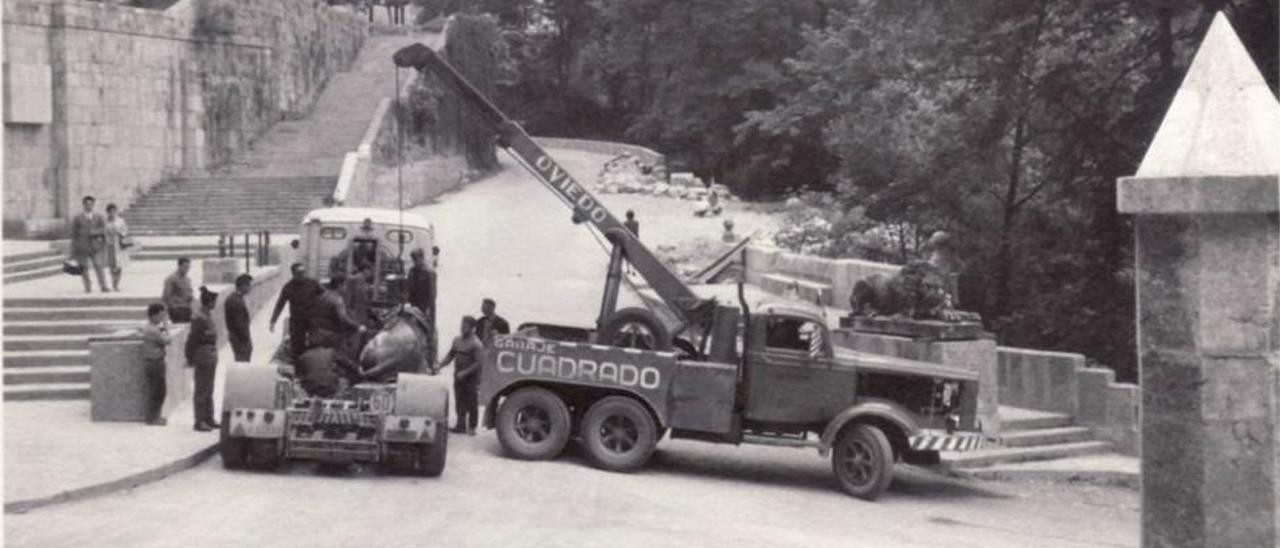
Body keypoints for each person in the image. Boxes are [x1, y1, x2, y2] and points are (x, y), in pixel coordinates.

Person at [438, 316, 484, 435]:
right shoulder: (457, 340)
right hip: (458, 376)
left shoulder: (476, 344)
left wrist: (465, 373)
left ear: (472, 328)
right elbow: (450, 356)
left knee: (472, 402)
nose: (462, 328)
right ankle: (460, 425)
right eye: (461, 325)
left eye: (465, 326)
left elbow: (478, 363)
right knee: (459, 401)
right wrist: (439, 366)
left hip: (471, 378)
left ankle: (472, 427)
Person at [269, 263, 324, 359]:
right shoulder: (288, 287)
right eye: (299, 273)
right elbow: (280, 304)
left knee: (315, 344)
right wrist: (273, 321)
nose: (302, 275)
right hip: (297, 321)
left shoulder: (313, 283)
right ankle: (298, 368)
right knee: (297, 347)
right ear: (294, 274)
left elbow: (325, 296)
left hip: (312, 319)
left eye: (304, 272)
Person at [186, 288, 220, 432]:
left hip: (209, 354)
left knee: (209, 388)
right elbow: (192, 340)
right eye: (214, 302)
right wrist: (189, 357)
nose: (215, 304)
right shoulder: (199, 318)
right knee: (202, 389)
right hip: (203, 354)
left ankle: (208, 417)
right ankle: (199, 421)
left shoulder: (206, 315)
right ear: (210, 302)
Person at [309, 274, 367, 353]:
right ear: (340, 286)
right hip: (330, 337)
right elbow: (343, 318)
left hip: (316, 334)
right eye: (345, 285)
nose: (346, 288)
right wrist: (357, 327)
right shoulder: (337, 299)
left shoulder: (323, 296)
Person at [139, 303, 171, 426]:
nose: (162, 319)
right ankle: (152, 418)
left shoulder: (150, 328)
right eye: (161, 316)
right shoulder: (152, 330)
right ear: (153, 316)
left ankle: (155, 416)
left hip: (154, 363)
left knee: (157, 390)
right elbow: (167, 340)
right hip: (155, 363)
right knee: (158, 391)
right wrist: (167, 327)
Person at [70, 195, 110, 293]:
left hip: (96, 246)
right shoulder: (78, 218)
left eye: (91, 204)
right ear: (83, 205)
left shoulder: (99, 217)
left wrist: (94, 232)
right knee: (84, 268)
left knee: (99, 266)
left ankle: (103, 285)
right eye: (86, 204)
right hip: (82, 246)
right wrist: (73, 248)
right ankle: (87, 286)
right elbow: (74, 233)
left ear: (93, 205)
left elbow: (104, 229)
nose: (89, 206)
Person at [225, 273, 254, 363]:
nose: (250, 288)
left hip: (239, 337)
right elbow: (239, 324)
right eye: (248, 285)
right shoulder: (235, 301)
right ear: (242, 286)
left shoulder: (236, 298)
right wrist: (246, 340)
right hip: (240, 338)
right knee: (242, 363)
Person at [103, 203, 131, 291]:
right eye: (110, 211)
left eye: (114, 211)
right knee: (112, 265)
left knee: (119, 265)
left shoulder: (120, 221)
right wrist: (107, 237)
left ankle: (116, 284)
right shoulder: (105, 221)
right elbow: (103, 233)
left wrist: (119, 231)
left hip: (119, 245)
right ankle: (113, 281)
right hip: (110, 245)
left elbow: (125, 231)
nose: (112, 213)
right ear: (107, 212)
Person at [406, 248, 436, 320]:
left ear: (422, 258)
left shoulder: (430, 273)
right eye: (413, 259)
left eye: (416, 259)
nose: (414, 262)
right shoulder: (412, 270)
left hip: (425, 305)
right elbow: (409, 286)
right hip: (414, 304)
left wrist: (428, 309)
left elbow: (432, 293)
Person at [162, 257, 194, 323]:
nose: (187, 269)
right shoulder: (171, 279)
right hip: (177, 309)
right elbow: (166, 296)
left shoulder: (187, 279)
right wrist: (173, 308)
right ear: (179, 266)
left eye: (188, 267)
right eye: (185, 267)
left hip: (188, 309)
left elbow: (189, 293)